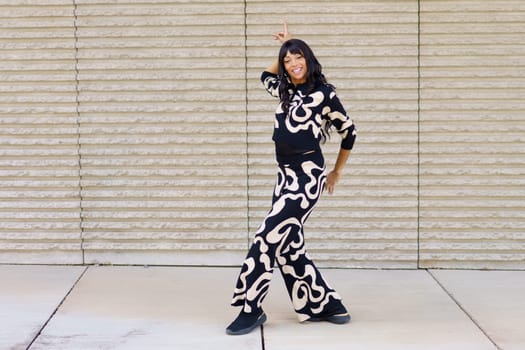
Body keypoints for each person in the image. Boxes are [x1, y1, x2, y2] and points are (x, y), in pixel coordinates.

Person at [226, 23, 357, 336]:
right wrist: (283, 47)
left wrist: (337, 171)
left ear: (308, 59)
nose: (293, 64)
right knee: (289, 248)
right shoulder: (283, 90)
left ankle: (251, 307)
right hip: (283, 178)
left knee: (266, 236)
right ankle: (324, 304)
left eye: (298, 57)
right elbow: (264, 76)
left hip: (307, 177)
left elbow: (349, 131)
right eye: (287, 61)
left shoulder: (325, 94)